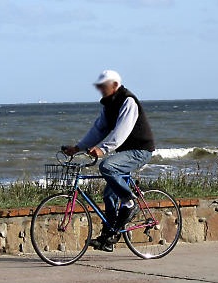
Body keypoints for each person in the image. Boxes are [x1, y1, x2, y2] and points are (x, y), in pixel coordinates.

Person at [63, 70, 155, 252]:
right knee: (108, 195)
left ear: (115, 85)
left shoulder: (128, 101)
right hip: (125, 153)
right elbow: (98, 130)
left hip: (140, 150)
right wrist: (78, 147)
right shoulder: (108, 105)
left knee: (107, 166)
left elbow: (121, 131)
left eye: (104, 86)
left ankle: (129, 202)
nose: (101, 90)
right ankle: (108, 237)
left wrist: (102, 149)